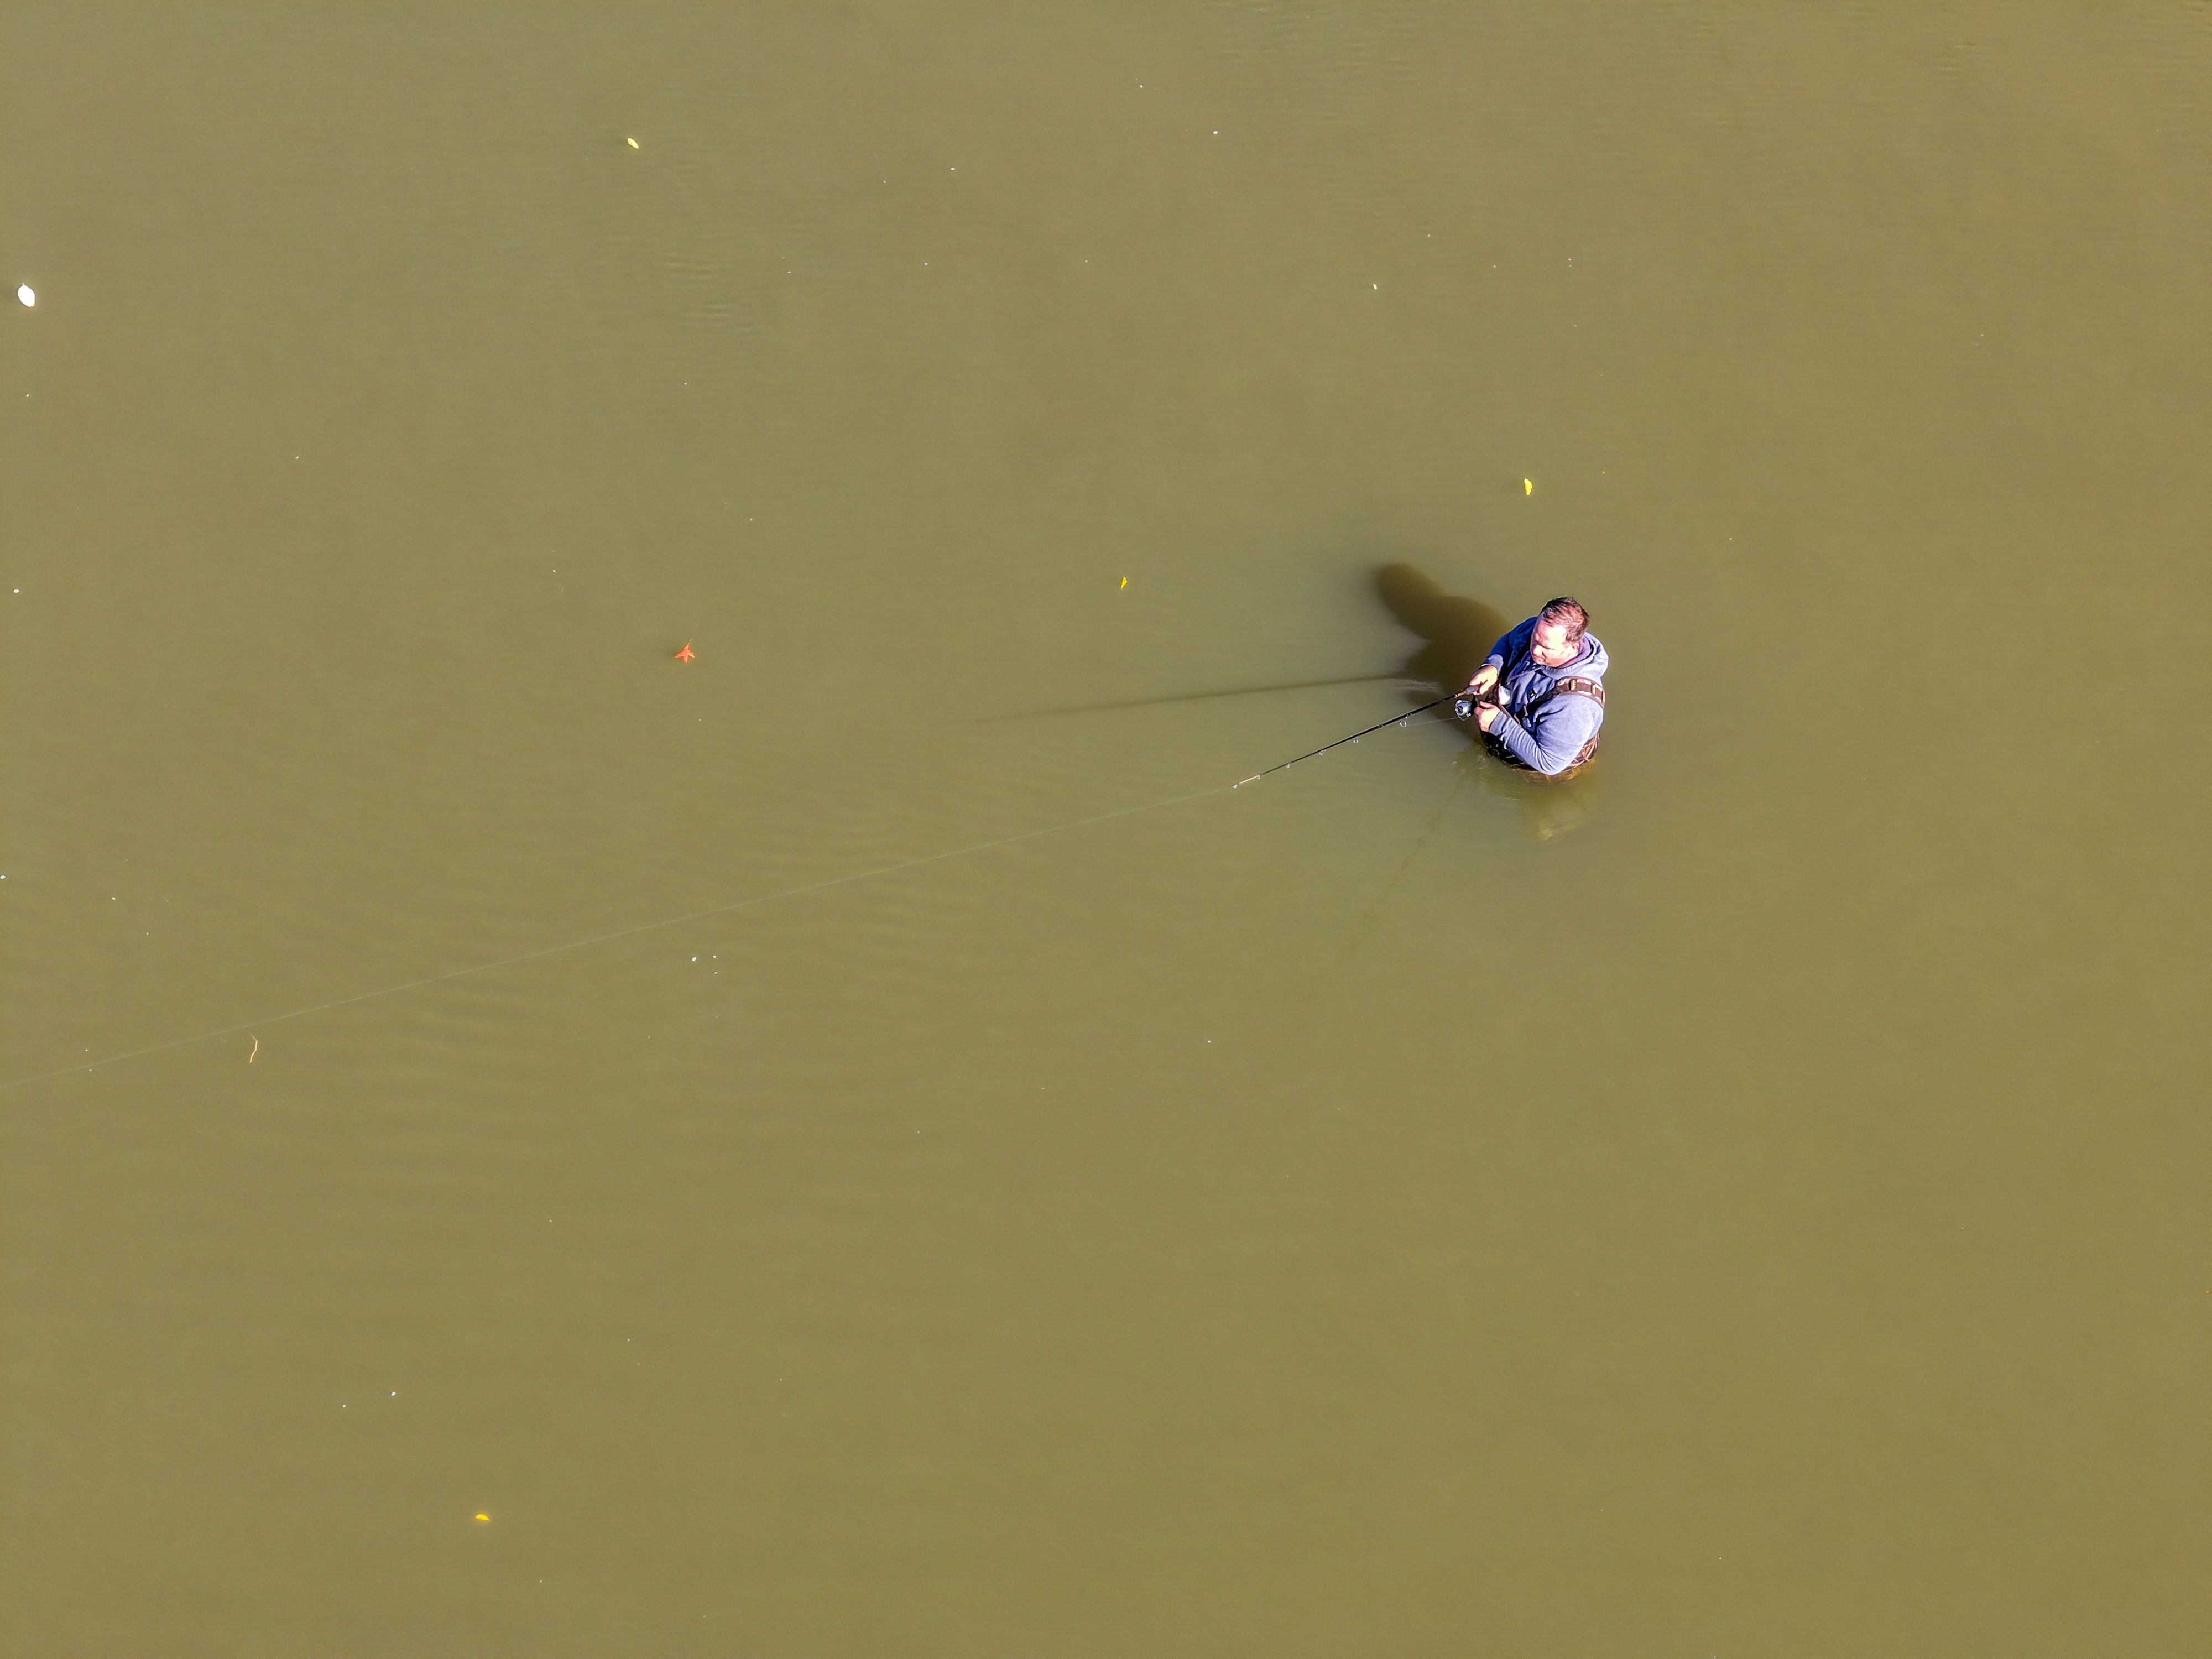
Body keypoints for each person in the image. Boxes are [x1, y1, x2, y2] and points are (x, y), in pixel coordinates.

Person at [1453, 597, 1607, 777]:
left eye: (1546, 648)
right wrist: (1493, 666)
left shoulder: (1576, 707)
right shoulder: (1539, 630)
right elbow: (1510, 641)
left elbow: (1549, 763)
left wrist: (1498, 724)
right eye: (1535, 639)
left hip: (1544, 766)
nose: (1534, 650)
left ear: (1573, 648)